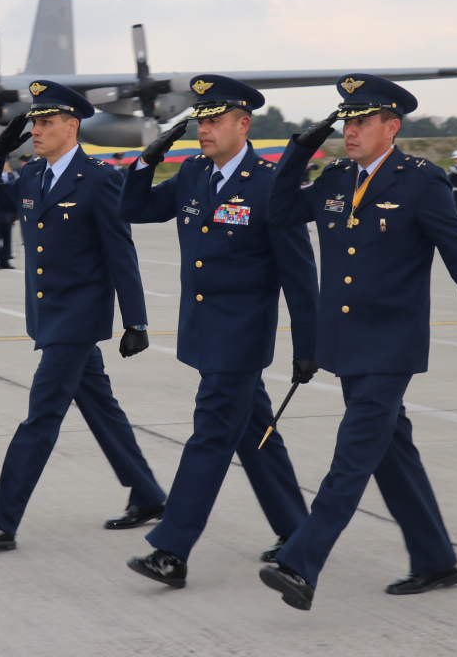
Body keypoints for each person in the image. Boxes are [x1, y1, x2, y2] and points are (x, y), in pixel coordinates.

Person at [258, 73, 457, 611]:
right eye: (345, 120)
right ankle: (436, 560)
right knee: (392, 453)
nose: (350, 130)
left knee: (350, 459)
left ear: (391, 126)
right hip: (346, 344)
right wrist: (299, 150)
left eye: (362, 120)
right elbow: (278, 213)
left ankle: (301, 563)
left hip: (390, 347)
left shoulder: (420, 181)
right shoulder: (333, 177)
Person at [120, 75, 319, 589]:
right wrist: (147, 160)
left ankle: (171, 549)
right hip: (204, 331)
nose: (202, 130)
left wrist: (308, 344)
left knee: (210, 437)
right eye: (199, 120)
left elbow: (299, 272)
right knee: (254, 433)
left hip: (242, 336)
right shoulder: (193, 174)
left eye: (213, 120)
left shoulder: (273, 183)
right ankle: (299, 531)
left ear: (242, 123)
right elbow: (135, 210)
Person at [0, 80, 164, 551]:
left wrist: (136, 321)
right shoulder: (32, 175)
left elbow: (121, 253)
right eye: (33, 123)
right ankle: (149, 495)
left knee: (40, 417)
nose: (36, 130)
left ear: (72, 126)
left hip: (78, 317)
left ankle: (1, 520)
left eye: (46, 122)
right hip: (47, 314)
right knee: (101, 408)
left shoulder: (100, 178)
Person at [0, 161, 17, 269]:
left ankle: (6, 260)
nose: (3, 164)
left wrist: (16, 213)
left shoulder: (12, 176)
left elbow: (15, 195)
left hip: (8, 214)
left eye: (5, 162)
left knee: (7, 238)